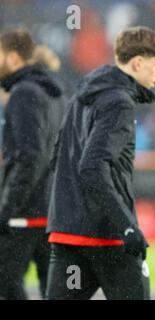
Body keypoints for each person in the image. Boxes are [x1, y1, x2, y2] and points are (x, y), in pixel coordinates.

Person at [46, 26, 155, 300]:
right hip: (109, 237)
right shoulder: (120, 102)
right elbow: (93, 166)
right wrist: (126, 225)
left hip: (67, 234)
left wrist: (65, 211)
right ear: (138, 62)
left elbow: (57, 155)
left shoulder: (81, 96)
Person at [0, 28, 65, 299]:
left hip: (24, 212)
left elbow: (30, 157)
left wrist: (8, 208)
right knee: (51, 288)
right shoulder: (55, 94)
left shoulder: (23, 93)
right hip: (51, 208)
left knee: (5, 283)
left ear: (14, 58)